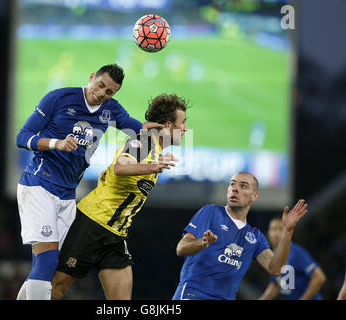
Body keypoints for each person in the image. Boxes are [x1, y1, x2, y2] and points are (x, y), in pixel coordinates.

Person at [15, 64, 163, 300]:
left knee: (46, 267)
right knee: (47, 261)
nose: (102, 93)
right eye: (101, 85)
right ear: (92, 77)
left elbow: (137, 129)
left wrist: (161, 128)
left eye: (109, 92)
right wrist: (57, 143)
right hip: (39, 184)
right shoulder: (59, 98)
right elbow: (22, 137)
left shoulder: (110, 109)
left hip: (67, 194)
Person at [50, 93, 189, 300]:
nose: (186, 128)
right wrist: (155, 166)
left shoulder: (154, 151)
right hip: (92, 224)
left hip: (115, 234)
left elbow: (106, 173)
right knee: (57, 288)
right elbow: (120, 167)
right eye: (183, 122)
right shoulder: (145, 142)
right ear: (168, 125)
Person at [172, 171, 308, 300]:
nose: (235, 189)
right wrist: (201, 243)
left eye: (243, 186)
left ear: (254, 196)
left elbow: (276, 269)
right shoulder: (211, 212)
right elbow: (181, 248)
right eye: (232, 184)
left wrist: (288, 232)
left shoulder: (255, 237)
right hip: (194, 295)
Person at [259, 216, 326, 300]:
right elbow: (276, 283)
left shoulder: (296, 252)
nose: (276, 233)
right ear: (268, 233)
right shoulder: (271, 256)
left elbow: (319, 277)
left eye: (280, 229)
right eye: (273, 229)